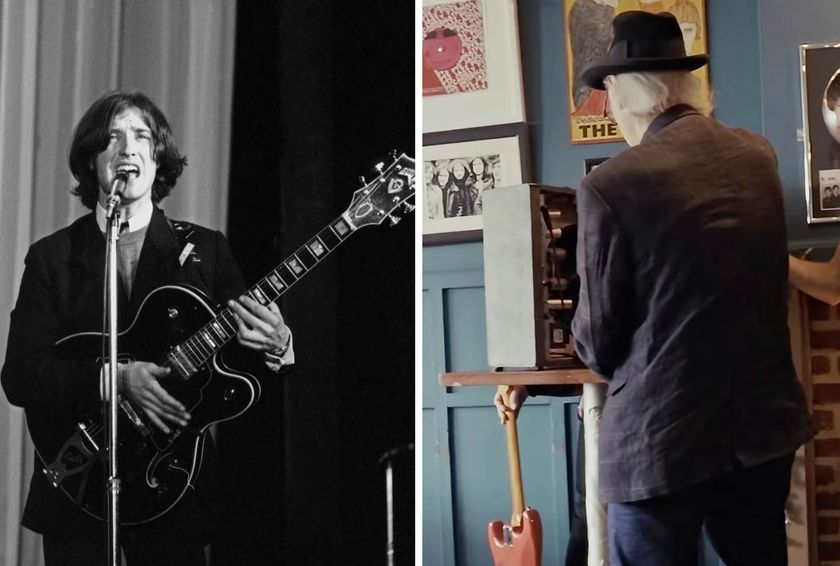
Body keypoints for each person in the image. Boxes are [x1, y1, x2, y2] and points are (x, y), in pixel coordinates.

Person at [496, 11, 813, 565]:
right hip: (760, 431)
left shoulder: (609, 185)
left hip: (660, 445)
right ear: (686, 84)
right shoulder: (757, 155)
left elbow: (596, 344)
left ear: (621, 93)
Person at [1, 90, 294, 565]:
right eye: (111, 138)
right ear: (92, 162)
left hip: (174, 492)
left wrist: (279, 345)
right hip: (79, 493)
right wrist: (115, 379)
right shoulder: (52, 258)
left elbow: (247, 373)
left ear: (159, 161)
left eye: (141, 136)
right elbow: (20, 375)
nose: (127, 148)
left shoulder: (208, 250)